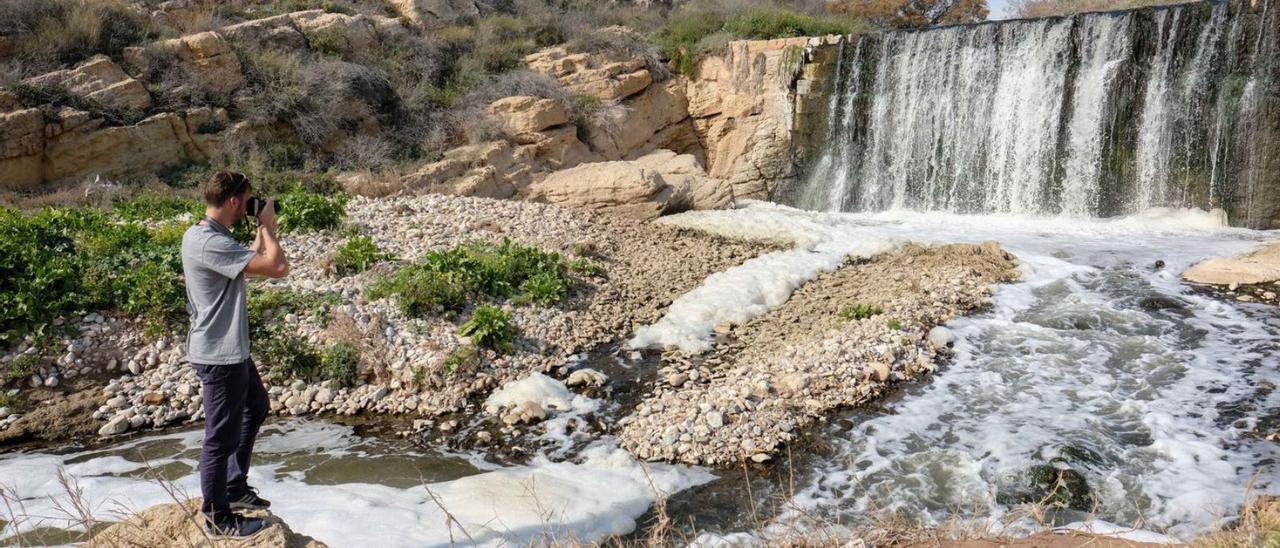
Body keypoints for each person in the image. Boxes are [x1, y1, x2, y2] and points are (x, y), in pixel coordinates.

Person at [181, 171, 289, 538]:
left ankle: (233, 485)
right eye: (246, 200)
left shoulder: (211, 236)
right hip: (219, 354)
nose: (249, 205)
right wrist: (270, 227)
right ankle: (217, 518)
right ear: (232, 202)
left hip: (230, 349)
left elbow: (255, 261)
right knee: (219, 438)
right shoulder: (209, 243)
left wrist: (259, 226)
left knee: (255, 406)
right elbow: (276, 267)